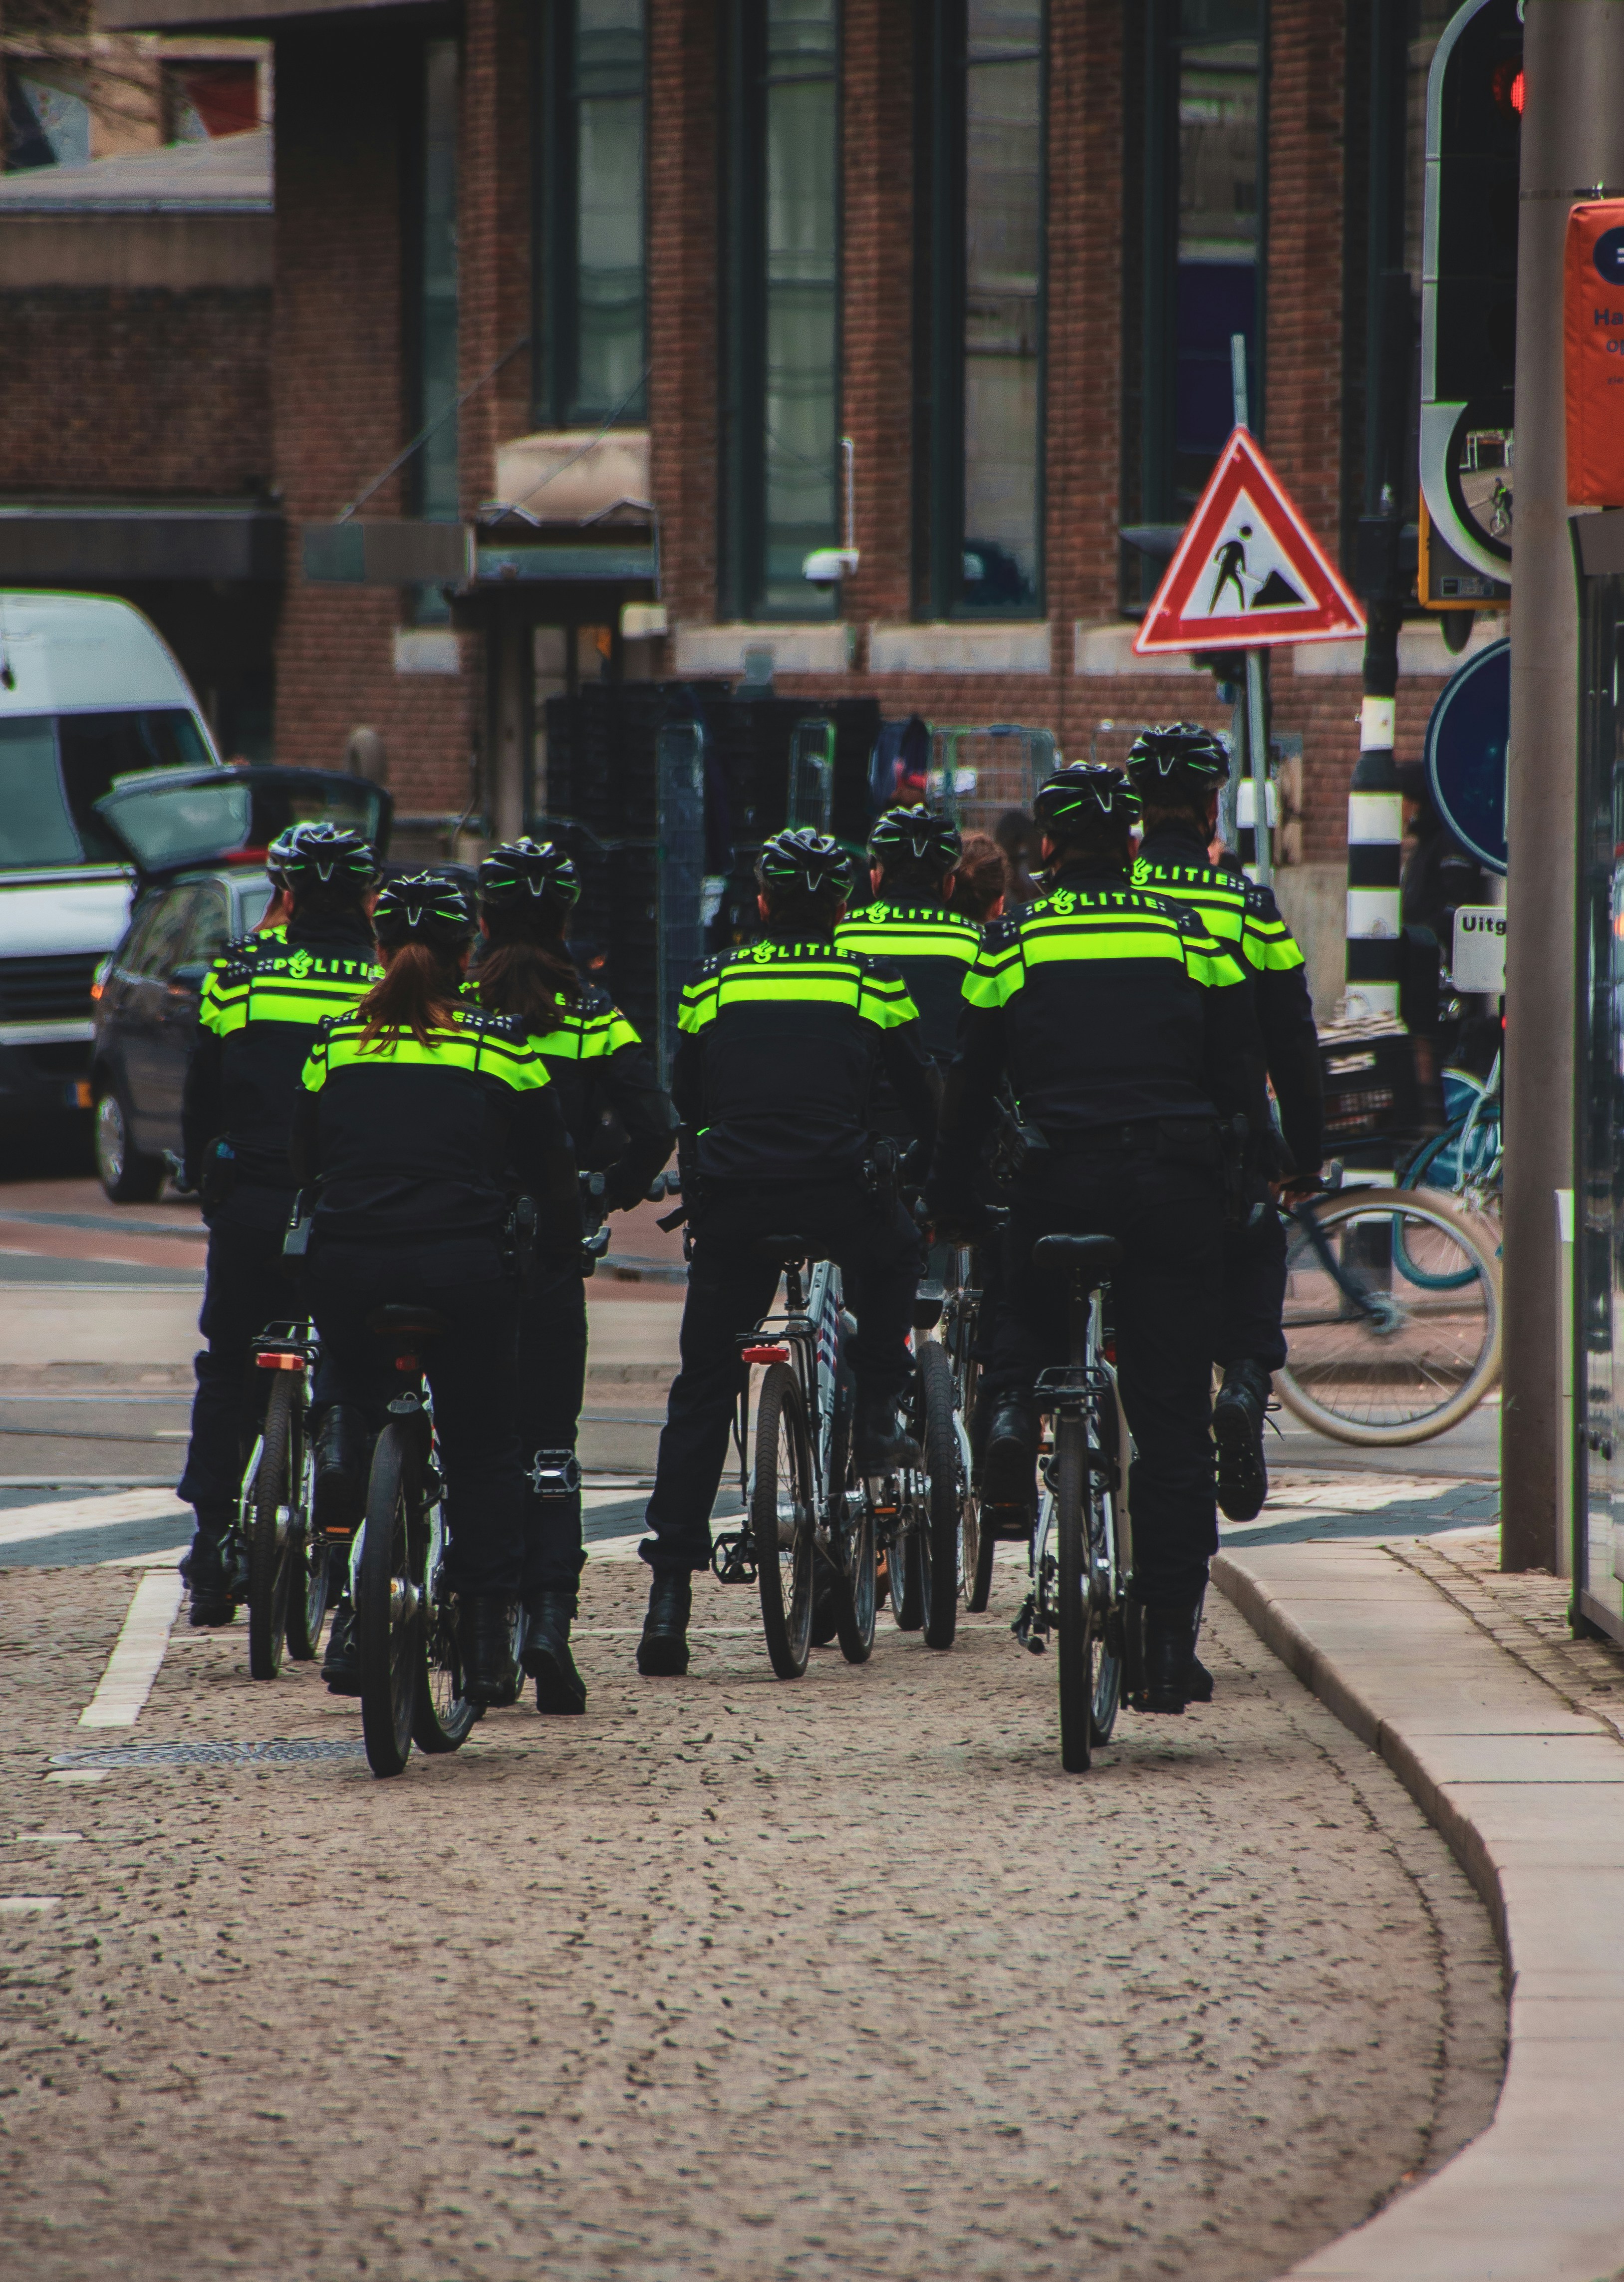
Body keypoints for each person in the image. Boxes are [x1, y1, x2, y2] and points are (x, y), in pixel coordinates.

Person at [927, 763, 1269, 1715]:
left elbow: (966, 1088)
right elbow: (1239, 1074)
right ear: (1128, 846)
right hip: (1170, 1185)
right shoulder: (1191, 935)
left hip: (1057, 1175)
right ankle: (1165, 1648)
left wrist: (952, 1199)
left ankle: (1004, 1419)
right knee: (1167, 1428)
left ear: (1044, 849)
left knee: (1020, 1296)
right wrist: (1244, 1179)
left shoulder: (1008, 941)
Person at [635, 828, 941, 1678]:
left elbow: (683, 1095)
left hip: (735, 1203)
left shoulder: (712, 981)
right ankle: (877, 1412)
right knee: (893, 1258)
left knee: (702, 1385)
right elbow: (921, 1096)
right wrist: (920, 1169)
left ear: (761, 905)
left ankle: (669, 1599)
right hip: (838, 1193)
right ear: (843, 908)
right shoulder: (869, 982)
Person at [289, 872, 580, 1708]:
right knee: (485, 1447)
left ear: (377, 951)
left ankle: (351, 1585)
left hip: (350, 1262)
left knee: (350, 1366)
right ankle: (486, 1641)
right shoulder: (499, 1042)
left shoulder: (336, 1037)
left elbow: (307, 1161)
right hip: (463, 1268)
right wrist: (553, 1252)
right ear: (468, 956)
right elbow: (552, 1173)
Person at [469, 837, 677, 1714]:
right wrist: (604, 1194)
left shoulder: (454, 1009)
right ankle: (550, 1623)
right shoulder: (592, 1013)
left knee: (474, 1445)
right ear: (564, 919)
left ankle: (465, 1615)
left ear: (481, 922)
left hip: (467, 1249)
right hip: (552, 1257)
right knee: (552, 1447)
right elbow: (656, 1124)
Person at [175, 822, 382, 1628]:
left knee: (228, 1366)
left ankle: (212, 1548)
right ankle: (341, 1547)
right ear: (367, 898)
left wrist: (205, 1176)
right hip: (348, 1203)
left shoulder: (238, 972)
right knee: (358, 1371)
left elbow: (203, 1087)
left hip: (254, 1199)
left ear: (285, 895)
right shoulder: (380, 980)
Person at [1126, 722, 1323, 1523]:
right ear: (1212, 808)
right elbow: (1292, 1038)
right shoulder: (1246, 904)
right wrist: (1301, 1158)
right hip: (1220, 1146)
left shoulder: (1101, 902)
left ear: (1138, 812)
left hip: (1101, 1147)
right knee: (1255, 1242)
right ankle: (1243, 1379)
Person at [834, 805, 985, 1067]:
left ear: (875, 880)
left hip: (865, 1100)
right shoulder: (976, 940)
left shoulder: (841, 936)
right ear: (949, 885)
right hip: (948, 1099)